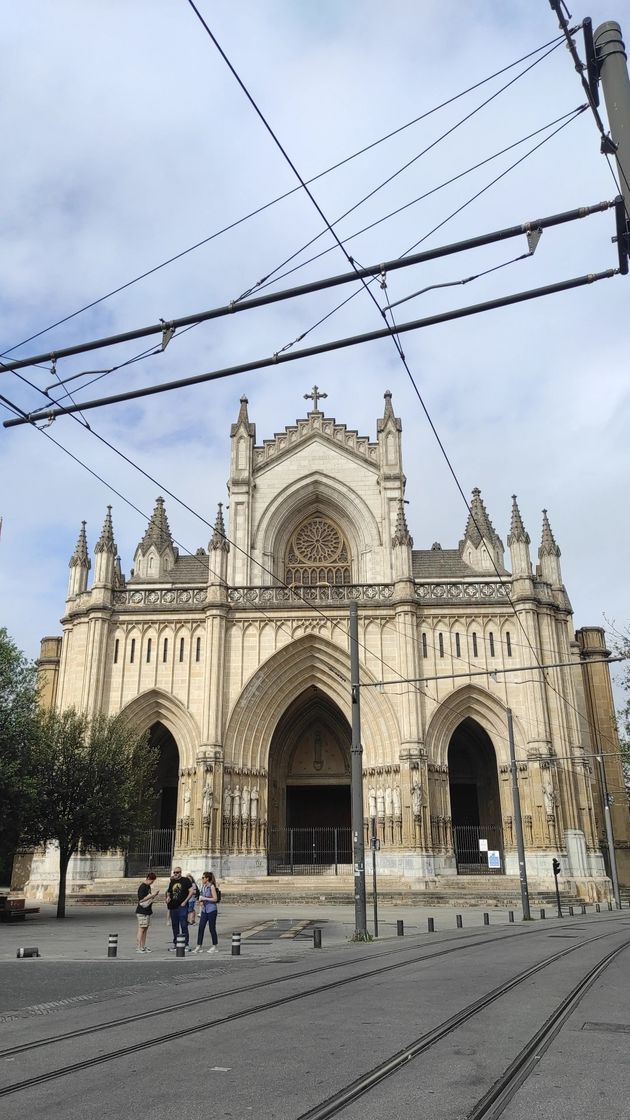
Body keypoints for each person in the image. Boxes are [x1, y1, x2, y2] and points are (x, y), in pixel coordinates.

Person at [165, 865, 195, 952]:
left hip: (182, 906)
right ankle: (176, 943)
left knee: (184, 925)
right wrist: (168, 897)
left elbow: (191, 891)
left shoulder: (185, 880)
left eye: (177, 872)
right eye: (174, 872)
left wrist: (185, 901)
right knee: (175, 926)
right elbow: (169, 892)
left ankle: (186, 944)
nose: (175, 874)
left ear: (180, 873)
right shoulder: (172, 881)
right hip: (173, 906)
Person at [192, 871, 219, 953]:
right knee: (201, 927)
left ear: (207, 878)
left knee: (212, 928)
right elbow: (201, 896)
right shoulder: (203, 887)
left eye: (203, 877)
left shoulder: (212, 887)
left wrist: (204, 898)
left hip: (212, 910)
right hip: (204, 910)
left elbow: (215, 899)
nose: (202, 879)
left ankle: (214, 945)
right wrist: (200, 901)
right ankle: (198, 945)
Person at [135, 872, 159, 953]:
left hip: (147, 910)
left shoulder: (148, 886)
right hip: (142, 910)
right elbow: (141, 900)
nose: (152, 882)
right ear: (148, 879)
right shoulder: (142, 887)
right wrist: (152, 895)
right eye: (152, 880)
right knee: (141, 929)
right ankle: (138, 947)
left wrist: (153, 896)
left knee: (145, 929)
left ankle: (142, 946)